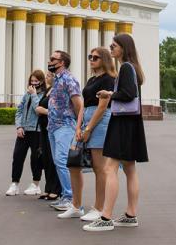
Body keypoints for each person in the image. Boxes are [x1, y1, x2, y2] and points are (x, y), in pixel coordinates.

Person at [84, 33, 148, 232]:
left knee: (109, 168)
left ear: (123, 48)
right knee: (129, 169)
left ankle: (106, 217)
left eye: (114, 46)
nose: (111, 49)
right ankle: (130, 214)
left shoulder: (127, 68)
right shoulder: (133, 67)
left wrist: (109, 94)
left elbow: (128, 93)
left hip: (122, 123)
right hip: (131, 123)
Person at [70, 47, 115, 222]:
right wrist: (79, 127)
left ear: (104, 59)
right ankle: (77, 205)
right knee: (75, 162)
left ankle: (99, 207)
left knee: (99, 167)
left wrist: (88, 128)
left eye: (95, 57)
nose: (91, 60)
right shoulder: (91, 79)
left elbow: (103, 106)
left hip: (100, 120)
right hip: (87, 117)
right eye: (90, 57)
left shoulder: (109, 79)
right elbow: (82, 105)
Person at [46, 50, 83, 215]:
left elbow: (77, 103)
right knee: (57, 161)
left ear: (62, 62)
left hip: (65, 126)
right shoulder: (57, 80)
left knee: (62, 161)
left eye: (53, 59)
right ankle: (66, 196)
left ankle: (71, 199)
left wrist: (78, 126)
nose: (50, 61)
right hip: (53, 127)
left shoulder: (69, 79)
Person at [8, 70, 46, 196]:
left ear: (42, 81)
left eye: (36, 81)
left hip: (37, 131)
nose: (34, 83)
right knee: (17, 156)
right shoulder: (27, 94)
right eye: (32, 81)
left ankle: (35, 184)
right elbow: (19, 110)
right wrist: (19, 126)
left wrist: (34, 95)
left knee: (36, 159)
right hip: (23, 131)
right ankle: (14, 184)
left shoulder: (43, 95)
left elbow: (38, 110)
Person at [35, 71, 61, 202]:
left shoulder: (58, 90)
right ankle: (48, 188)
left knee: (53, 158)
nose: (46, 78)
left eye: (49, 76)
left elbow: (61, 110)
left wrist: (44, 111)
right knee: (46, 159)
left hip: (53, 127)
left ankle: (56, 189)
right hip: (44, 128)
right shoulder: (48, 90)